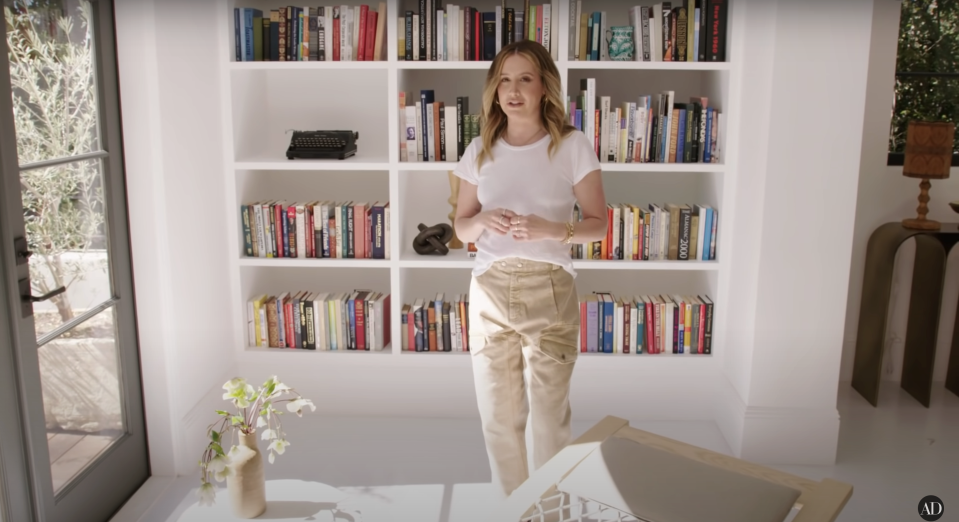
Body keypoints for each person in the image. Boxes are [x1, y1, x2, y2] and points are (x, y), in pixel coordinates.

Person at [451, 39, 608, 502]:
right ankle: (511, 510)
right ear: (494, 90)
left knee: (549, 419)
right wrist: (478, 221)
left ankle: (550, 510)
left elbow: (598, 227)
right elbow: (460, 227)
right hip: (489, 294)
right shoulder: (479, 149)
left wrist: (554, 229)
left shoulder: (572, 145)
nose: (513, 89)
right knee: (498, 418)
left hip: (550, 292)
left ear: (544, 88)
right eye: (504, 79)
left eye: (525, 79)